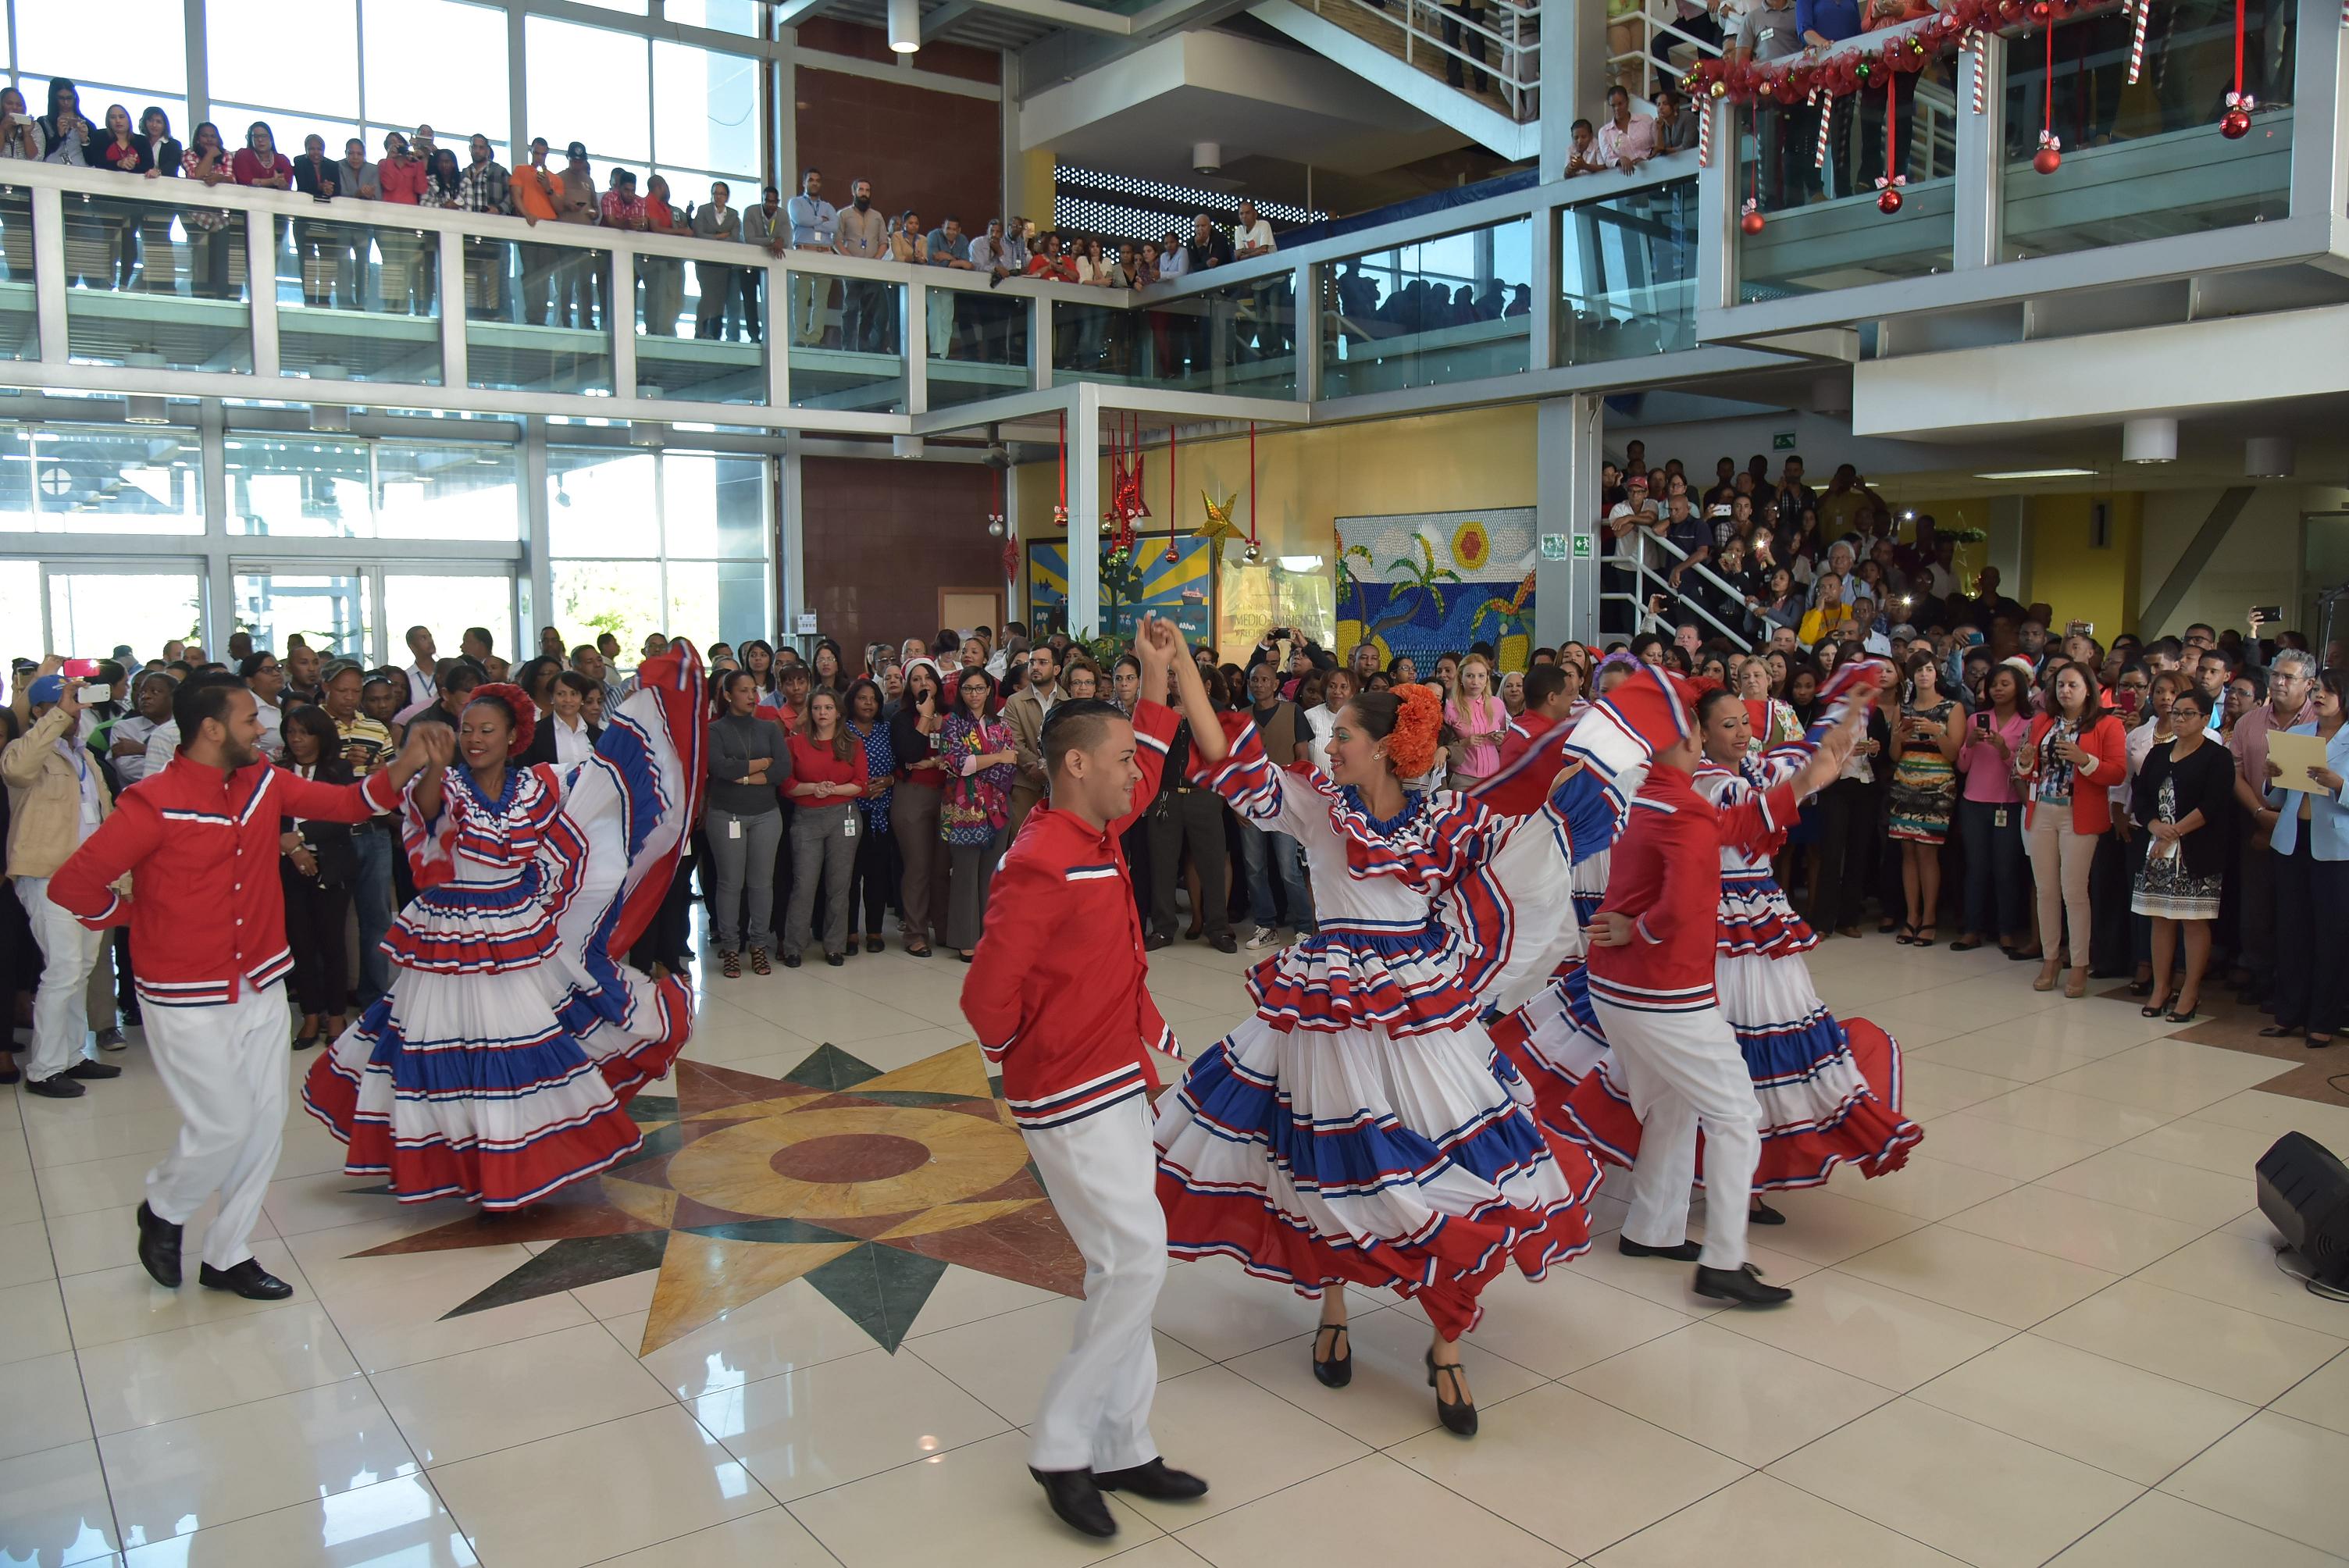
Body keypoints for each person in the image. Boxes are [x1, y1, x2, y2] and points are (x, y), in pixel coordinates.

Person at [1153, 646, 1613, 1436]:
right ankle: (1332, 1306)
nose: (1326, 746)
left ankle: (1444, 1342)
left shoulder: (1443, 818)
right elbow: (1228, 759)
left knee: (1452, 1165)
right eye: (1330, 737)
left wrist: (1582, 782)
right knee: (1330, 1166)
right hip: (1326, 1009)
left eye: (1341, 737)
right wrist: (1179, 673)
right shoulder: (1312, 803)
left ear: (1383, 746)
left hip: (1419, 1005)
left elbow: (1520, 838)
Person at [48, 674, 440, 1297]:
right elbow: (72, 885)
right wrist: (138, 916)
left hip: (261, 979)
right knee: (224, 1122)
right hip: (181, 992)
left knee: (262, 1123)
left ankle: (228, 1253)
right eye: (249, 720)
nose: (263, 730)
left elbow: (347, 804)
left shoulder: (262, 783)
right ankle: (165, 1208)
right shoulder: (152, 803)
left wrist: (410, 762)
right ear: (211, 729)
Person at [302, 652, 708, 1211]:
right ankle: (473, 1163)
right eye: (466, 729)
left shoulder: (536, 785)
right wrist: (437, 765)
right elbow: (426, 805)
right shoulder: (445, 785)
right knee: (449, 1044)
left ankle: (510, 1167)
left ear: (515, 735)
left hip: (516, 928)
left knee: (517, 1040)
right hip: (452, 933)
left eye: (486, 730)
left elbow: (602, 782)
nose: (473, 739)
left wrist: (645, 702)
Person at [960, 618, 1204, 1538]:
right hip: (1069, 1093)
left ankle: (1122, 1440)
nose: (1132, 775)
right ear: (1071, 768)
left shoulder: (1090, 829)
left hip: (1116, 1077)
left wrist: (1153, 674)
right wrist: (1026, 1056)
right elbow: (985, 997)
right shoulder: (1038, 861)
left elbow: (1141, 760)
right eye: (1114, 762)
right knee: (1137, 1255)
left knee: (1122, 1261)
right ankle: (1062, 1444)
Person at [1567, 668, 1916, 1219]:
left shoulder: (1745, 769)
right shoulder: (1702, 786)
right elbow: (1775, 793)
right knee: (1735, 1053)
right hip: (1714, 929)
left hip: (1755, 924)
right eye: (1725, 725)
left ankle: (1737, 1183)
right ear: (1697, 736)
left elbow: (1807, 757)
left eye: (1743, 724)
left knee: (1761, 1050)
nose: (1740, 734)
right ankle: (1729, 1192)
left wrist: (1851, 708)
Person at [3, 672, 125, 1099]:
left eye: (77, 700)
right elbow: (16, 771)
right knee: (63, 969)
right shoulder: (29, 751)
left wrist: (120, 875)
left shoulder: (85, 757)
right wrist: (56, 717)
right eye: (64, 701)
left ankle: (73, 1055)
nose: (76, 709)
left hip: (91, 878)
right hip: (46, 875)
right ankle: (44, 1068)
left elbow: (106, 817)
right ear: (41, 710)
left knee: (82, 968)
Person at [2127, 683, 2232, 1025]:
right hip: (2157, 848)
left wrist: (2175, 831)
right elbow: (2140, 796)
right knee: (2159, 917)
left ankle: (2189, 991)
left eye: (2189, 714)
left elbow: (2213, 804)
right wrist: (2155, 825)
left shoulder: (2217, 756)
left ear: (2205, 718)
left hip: (2195, 850)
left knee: (2193, 921)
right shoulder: (2159, 754)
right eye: (2176, 714)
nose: (2181, 720)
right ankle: (2161, 988)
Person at [2021, 662, 2126, 998]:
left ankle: (2079, 964)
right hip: (2042, 810)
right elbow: (2026, 769)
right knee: (2045, 889)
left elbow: (2117, 773)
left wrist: (2084, 760)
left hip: (2078, 813)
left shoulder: (2108, 725)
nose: (2065, 691)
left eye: (2073, 685)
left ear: (2088, 689)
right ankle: (2050, 958)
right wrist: (2024, 760)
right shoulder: (2042, 722)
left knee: (2074, 891)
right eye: (2060, 685)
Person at [2262, 666, 2348, 1047]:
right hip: (2292, 841)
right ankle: (2289, 1013)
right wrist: (2273, 776)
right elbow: (2277, 797)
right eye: (2318, 689)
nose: (2320, 696)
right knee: (2291, 931)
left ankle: (2323, 1019)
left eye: (2330, 691)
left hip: (2336, 848)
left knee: (2330, 935)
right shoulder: (2296, 734)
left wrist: (2340, 784)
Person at [279, 705, 356, 1051]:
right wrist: (293, 849)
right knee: (301, 942)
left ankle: (336, 1014)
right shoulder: (277, 771)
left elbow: (344, 813)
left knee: (332, 942)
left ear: (320, 736)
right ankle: (311, 1014)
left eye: (304, 732)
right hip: (287, 865)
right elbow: (270, 818)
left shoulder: (339, 769)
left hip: (331, 865)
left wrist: (302, 835)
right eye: (291, 732)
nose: (296, 739)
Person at [706, 668, 784, 978]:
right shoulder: (716, 730)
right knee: (730, 883)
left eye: (754, 690)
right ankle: (730, 947)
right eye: (743, 690)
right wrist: (762, 764)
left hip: (766, 813)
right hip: (727, 814)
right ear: (728, 695)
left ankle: (759, 946)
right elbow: (720, 767)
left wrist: (747, 775)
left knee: (762, 884)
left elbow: (783, 769)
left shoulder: (769, 729)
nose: (751, 696)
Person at [1952, 661, 2032, 954]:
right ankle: (1973, 929)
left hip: (2008, 804)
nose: (1997, 689)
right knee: (1976, 867)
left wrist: (2002, 749)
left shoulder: (2028, 723)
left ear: (2018, 688)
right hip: (1974, 802)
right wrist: (1970, 744)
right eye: (1994, 684)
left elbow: (2026, 768)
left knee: (2006, 869)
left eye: (2004, 684)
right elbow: (1962, 765)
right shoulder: (1976, 719)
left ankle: (2007, 930)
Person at [782, 688, 863, 968]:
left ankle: (834, 945)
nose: (823, 713)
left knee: (839, 885)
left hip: (844, 817)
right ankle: (793, 946)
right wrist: (814, 789)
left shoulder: (851, 742)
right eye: (817, 708)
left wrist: (832, 790)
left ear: (838, 711)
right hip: (807, 817)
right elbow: (787, 784)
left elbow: (861, 784)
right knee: (804, 884)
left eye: (828, 707)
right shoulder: (795, 744)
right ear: (810, 712)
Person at [1235, 660, 1314, 949]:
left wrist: (1301, 801)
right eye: (1254, 680)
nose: (1259, 684)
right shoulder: (1241, 717)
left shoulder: (1293, 713)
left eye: (1265, 680)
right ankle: (1265, 925)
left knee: (1287, 868)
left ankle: (1305, 926)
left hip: (1285, 802)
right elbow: (1232, 764)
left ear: (1276, 684)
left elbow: (1303, 759)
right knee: (1254, 867)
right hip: (1250, 803)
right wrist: (1235, 804)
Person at [940, 668, 1017, 961]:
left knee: (991, 875)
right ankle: (964, 938)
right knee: (965, 874)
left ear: (989, 691)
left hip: (998, 806)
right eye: (968, 689)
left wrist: (982, 765)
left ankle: (990, 936)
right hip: (963, 810)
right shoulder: (953, 724)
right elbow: (960, 763)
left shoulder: (1001, 724)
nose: (974, 694)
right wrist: (996, 757)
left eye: (979, 688)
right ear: (961, 692)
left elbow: (1010, 767)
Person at [1887, 651, 1960, 943]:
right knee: (1907, 851)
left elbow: (1954, 754)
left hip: (1937, 787)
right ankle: (1911, 915)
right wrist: (1898, 738)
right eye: (1918, 671)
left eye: (1929, 669)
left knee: (1928, 852)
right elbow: (1894, 755)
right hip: (1905, 783)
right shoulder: (1901, 709)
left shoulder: (1951, 708)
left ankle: (1929, 917)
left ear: (1937, 673)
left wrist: (1935, 732)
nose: (1924, 675)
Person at [890, 658, 950, 957]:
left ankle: (944, 929)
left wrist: (938, 759)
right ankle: (915, 933)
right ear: (908, 686)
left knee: (942, 869)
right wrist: (925, 719)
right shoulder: (901, 718)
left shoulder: (951, 715)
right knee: (918, 867)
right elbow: (910, 752)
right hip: (913, 795)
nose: (924, 683)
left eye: (928, 677)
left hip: (949, 796)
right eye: (916, 679)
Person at [843, 679, 896, 955]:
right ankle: (850, 933)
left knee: (877, 874)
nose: (868, 703)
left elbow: (901, 765)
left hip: (880, 813)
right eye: (862, 698)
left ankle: (874, 931)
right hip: (849, 812)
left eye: (873, 699)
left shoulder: (886, 730)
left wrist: (888, 780)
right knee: (850, 875)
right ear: (852, 701)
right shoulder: (843, 731)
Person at [784, 167, 839, 347]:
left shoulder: (828, 207)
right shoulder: (796, 202)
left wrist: (815, 223)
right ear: (804, 183)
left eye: (817, 180)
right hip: (803, 252)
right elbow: (801, 220)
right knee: (801, 296)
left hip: (825, 252)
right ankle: (800, 336)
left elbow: (834, 227)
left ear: (820, 184)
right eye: (810, 180)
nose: (814, 183)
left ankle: (815, 338)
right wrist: (820, 221)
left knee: (821, 299)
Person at [691, 181, 741, 339]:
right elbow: (699, 233)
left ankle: (715, 334)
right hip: (705, 263)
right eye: (716, 193)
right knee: (707, 296)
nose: (718, 197)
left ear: (727, 197)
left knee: (720, 300)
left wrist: (714, 240)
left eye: (722, 194)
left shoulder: (733, 214)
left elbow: (734, 238)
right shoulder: (703, 210)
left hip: (723, 264)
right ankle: (701, 331)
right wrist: (719, 236)